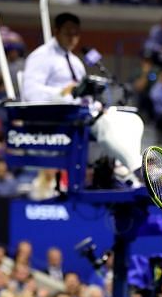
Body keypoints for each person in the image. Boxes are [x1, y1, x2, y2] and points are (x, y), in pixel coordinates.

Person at [21, 13, 144, 187]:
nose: (73, 38)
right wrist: (63, 92)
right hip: (59, 118)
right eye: (68, 33)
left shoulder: (75, 62)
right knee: (104, 124)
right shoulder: (41, 57)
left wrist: (97, 104)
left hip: (82, 113)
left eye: (76, 33)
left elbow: (84, 94)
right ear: (56, 31)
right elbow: (31, 94)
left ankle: (129, 163)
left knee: (132, 119)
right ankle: (137, 169)